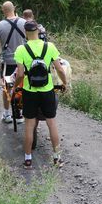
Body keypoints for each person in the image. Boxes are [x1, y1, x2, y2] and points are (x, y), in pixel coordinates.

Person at [14, 19, 67, 169]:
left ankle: (28, 159)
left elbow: (20, 74)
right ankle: (57, 158)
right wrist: (64, 83)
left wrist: (15, 88)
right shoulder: (49, 46)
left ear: (25, 33)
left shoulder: (21, 50)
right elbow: (60, 69)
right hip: (47, 90)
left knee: (29, 125)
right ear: (38, 31)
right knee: (51, 123)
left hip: (30, 92)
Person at [0, 1, 26, 123]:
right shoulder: (24, 23)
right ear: (14, 9)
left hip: (8, 62)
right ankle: (19, 113)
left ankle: (7, 114)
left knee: (7, 87)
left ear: (3, 11)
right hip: (23, 61)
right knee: (21, 87)